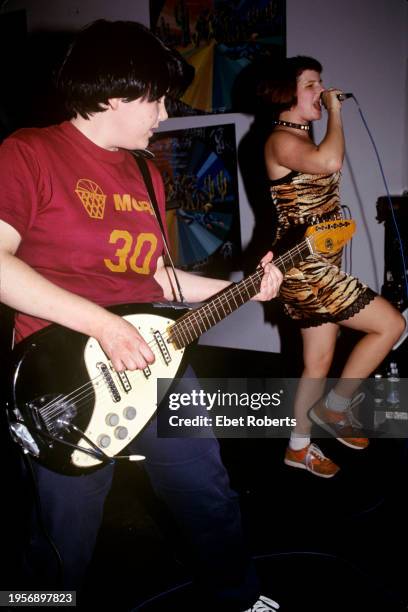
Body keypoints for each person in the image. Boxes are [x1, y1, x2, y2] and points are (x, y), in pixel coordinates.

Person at [0, 20, 283, 612]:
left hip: (155, 357)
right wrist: (103, 324)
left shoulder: (146, 173)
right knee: (61, 536)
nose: (162, 114)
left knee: (206, 491)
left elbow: (157, 278)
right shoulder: (27, 152)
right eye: (155, 97)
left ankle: (239, 596)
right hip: (64, 380)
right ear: (114, 91)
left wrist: (248, 288)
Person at [259, 56, 406, 478]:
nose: (322, 91)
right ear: (287, 92)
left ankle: (298, 447)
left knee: (318, 362)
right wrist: (337, 111)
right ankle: (336, 408)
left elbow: (324, 160)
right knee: (391, 325)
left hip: (314, 266)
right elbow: (329, 162)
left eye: (320, 83)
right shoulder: (279, 140)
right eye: (311, 84)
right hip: (308, 271)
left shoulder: (297, 138)